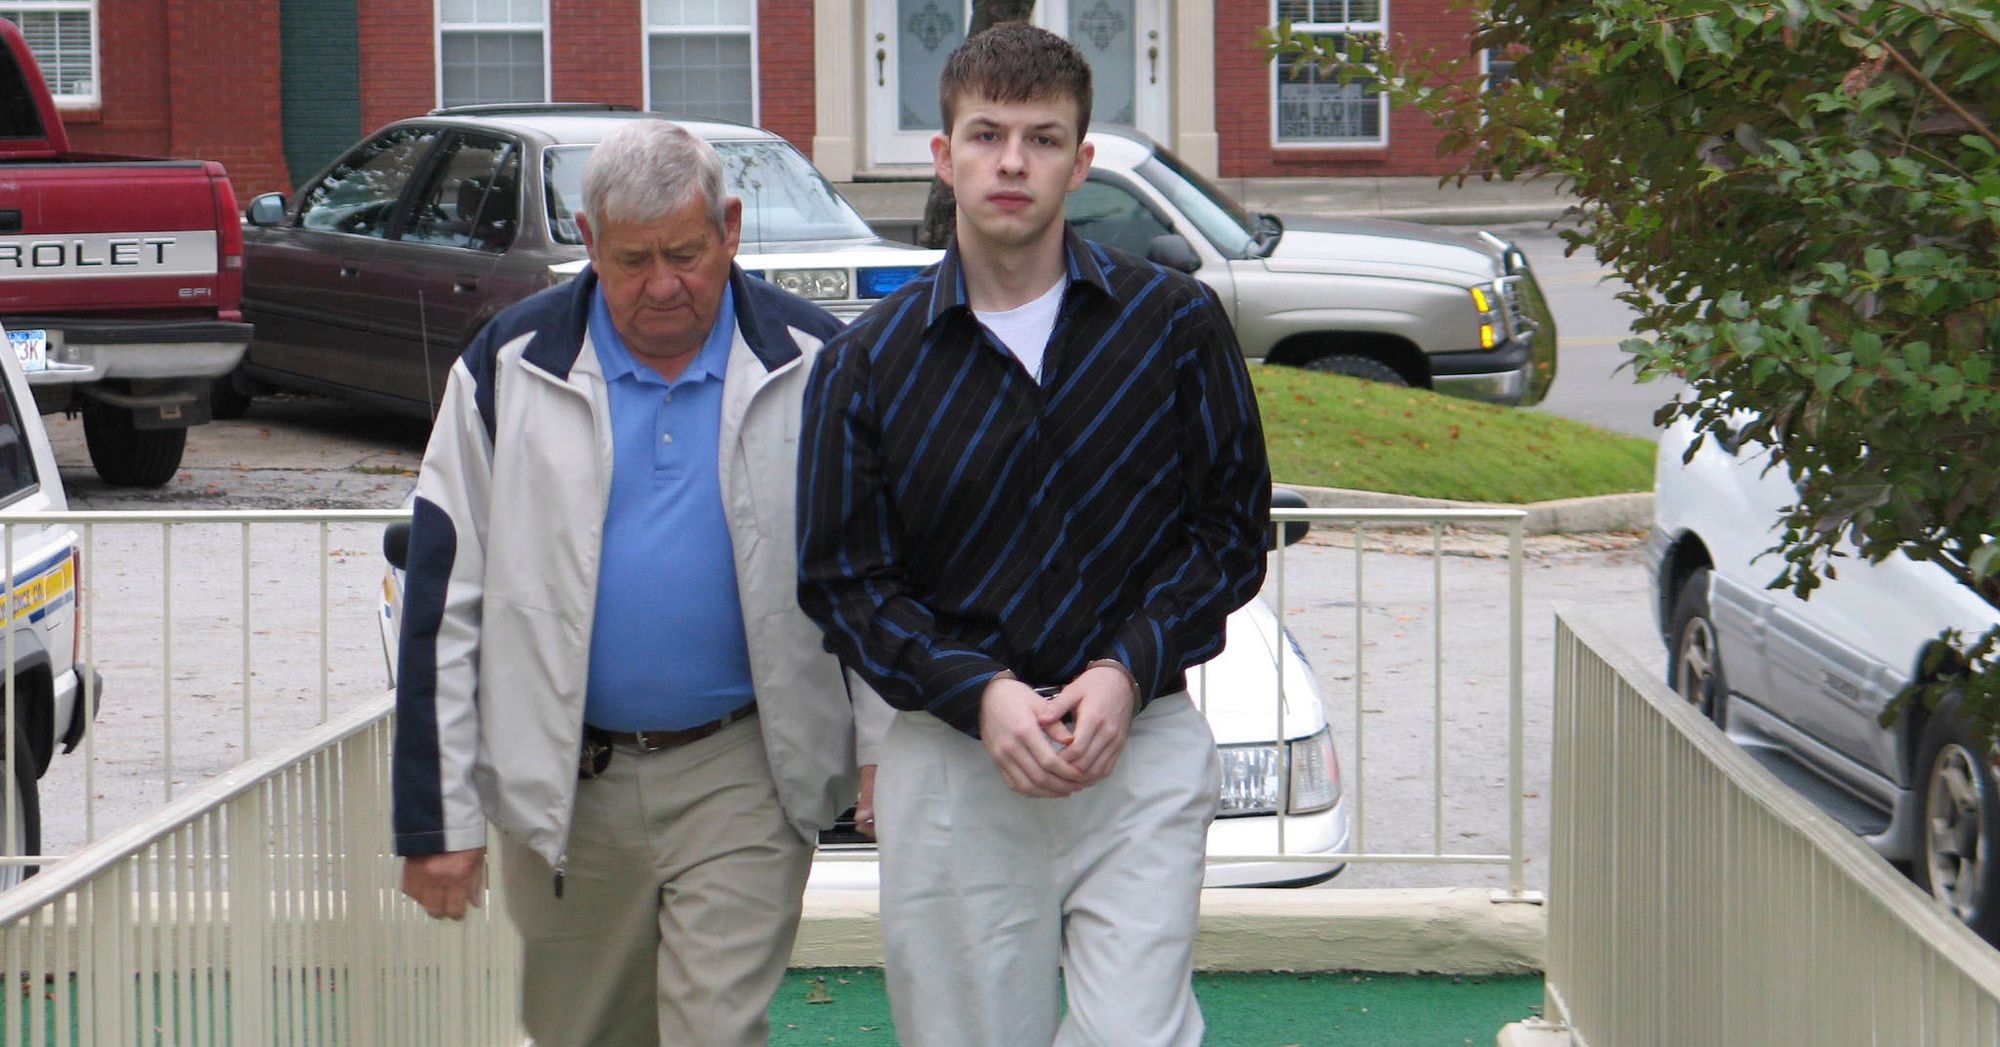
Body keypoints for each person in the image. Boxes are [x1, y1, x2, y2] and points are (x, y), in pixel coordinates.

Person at [797, 22, 1271, 1047]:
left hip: (1136, 751)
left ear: (1081, 161)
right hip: (953, 766)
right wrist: (981, 695)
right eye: (986, 134)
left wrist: (1125, 670)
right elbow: (845, 584)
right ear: (944, 156)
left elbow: (1229, 534)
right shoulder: (865, 366)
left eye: (1042, 139)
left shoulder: (1174, 327)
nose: (1011, 162)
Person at [391, 117, 862, 1047]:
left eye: (686, 254)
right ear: (586, 239)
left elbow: (870, 564)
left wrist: (881, 745)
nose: (662, 286)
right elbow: (445, 601)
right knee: (585, 1033)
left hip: (745, 769)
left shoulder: (815, 361)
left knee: (713, 1028)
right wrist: (435, 816)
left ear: (730, 228)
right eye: (632, 259)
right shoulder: (506, 368)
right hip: (566, 781)